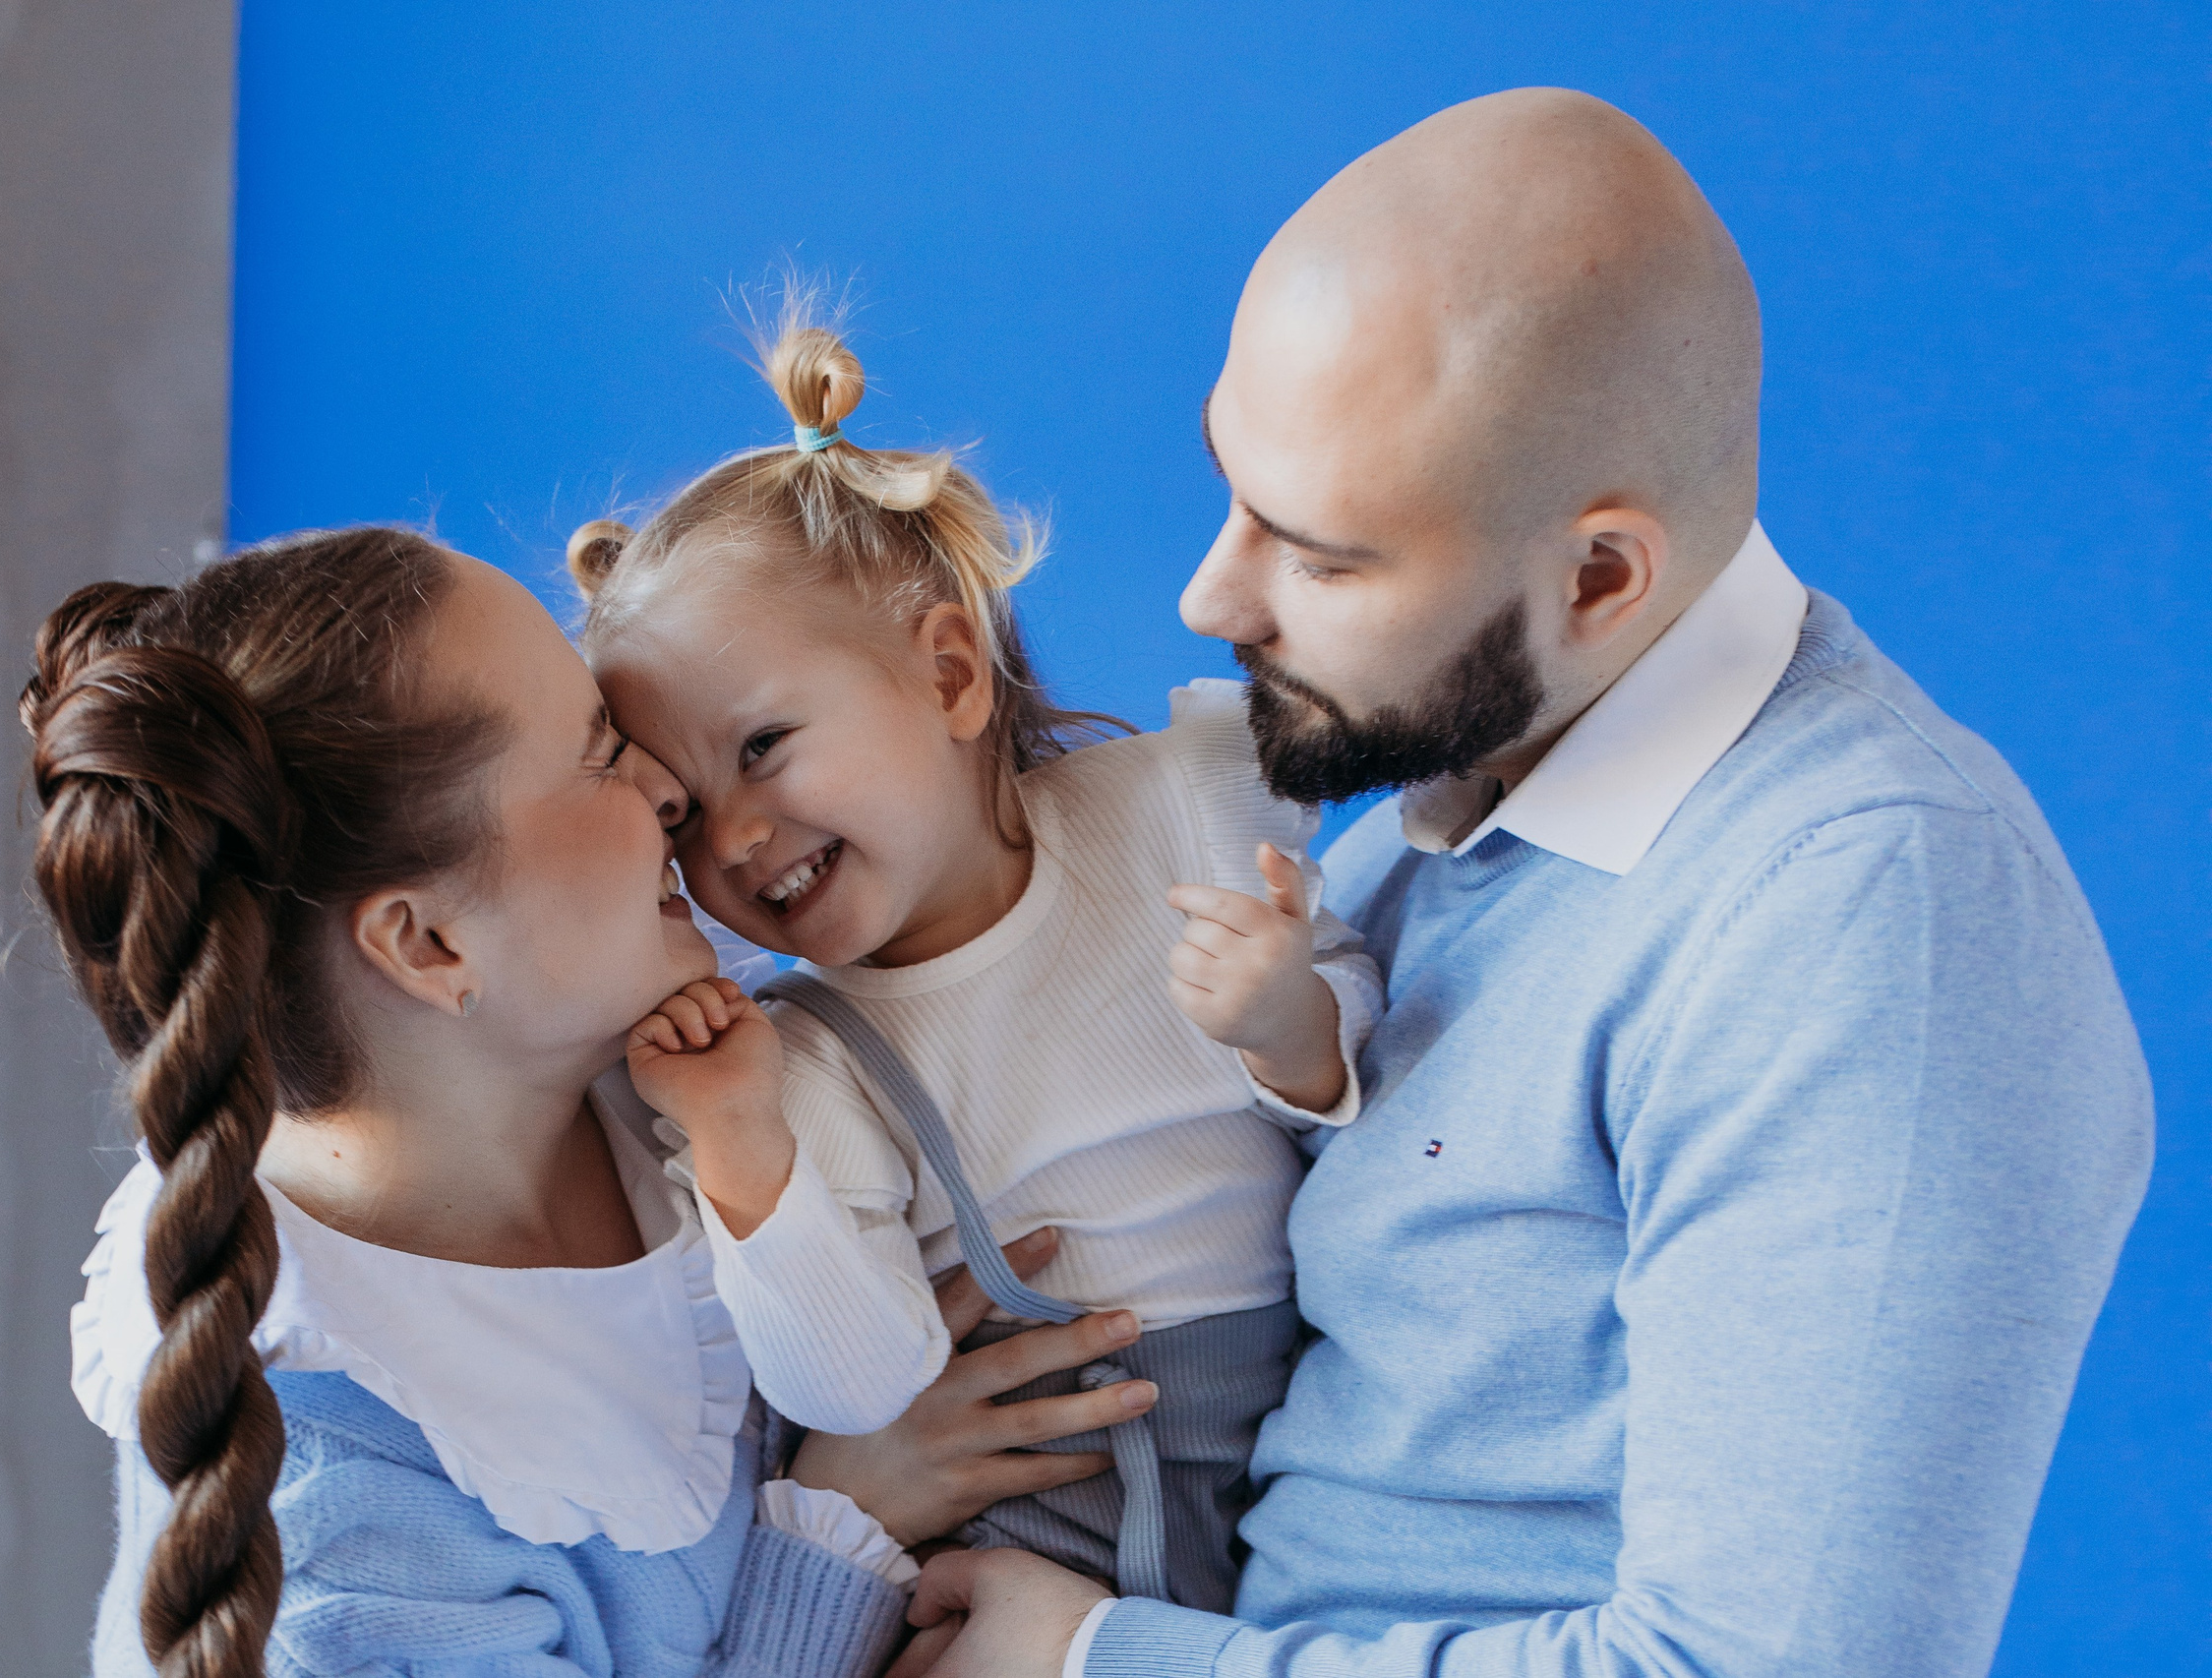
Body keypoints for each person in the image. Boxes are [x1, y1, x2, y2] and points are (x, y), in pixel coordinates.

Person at [902, 87, 2153, 1678]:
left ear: (1601, 578)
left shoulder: (1867, 911)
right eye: (1230, 492)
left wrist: (1103, 1662)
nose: (1213, 593)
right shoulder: (1426, 826)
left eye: (1326, 556)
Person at [28, 525, 1142, 1677]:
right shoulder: (337, 1550)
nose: (671, 787)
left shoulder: (681, 1072)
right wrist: (842, 1520)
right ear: (428, 942)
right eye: (600, 751)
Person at [570, 315, 1385, 1611]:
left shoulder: (1182, 806)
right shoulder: (807, 1053)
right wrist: (739, 1151)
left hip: (1311, 1461)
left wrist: (1296, 1022)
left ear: (948, 672)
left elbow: (1379, 1040)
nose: (735, 835)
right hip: (1035, 1525)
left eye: (765, 746)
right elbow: (850, 1386)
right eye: (682, 813)